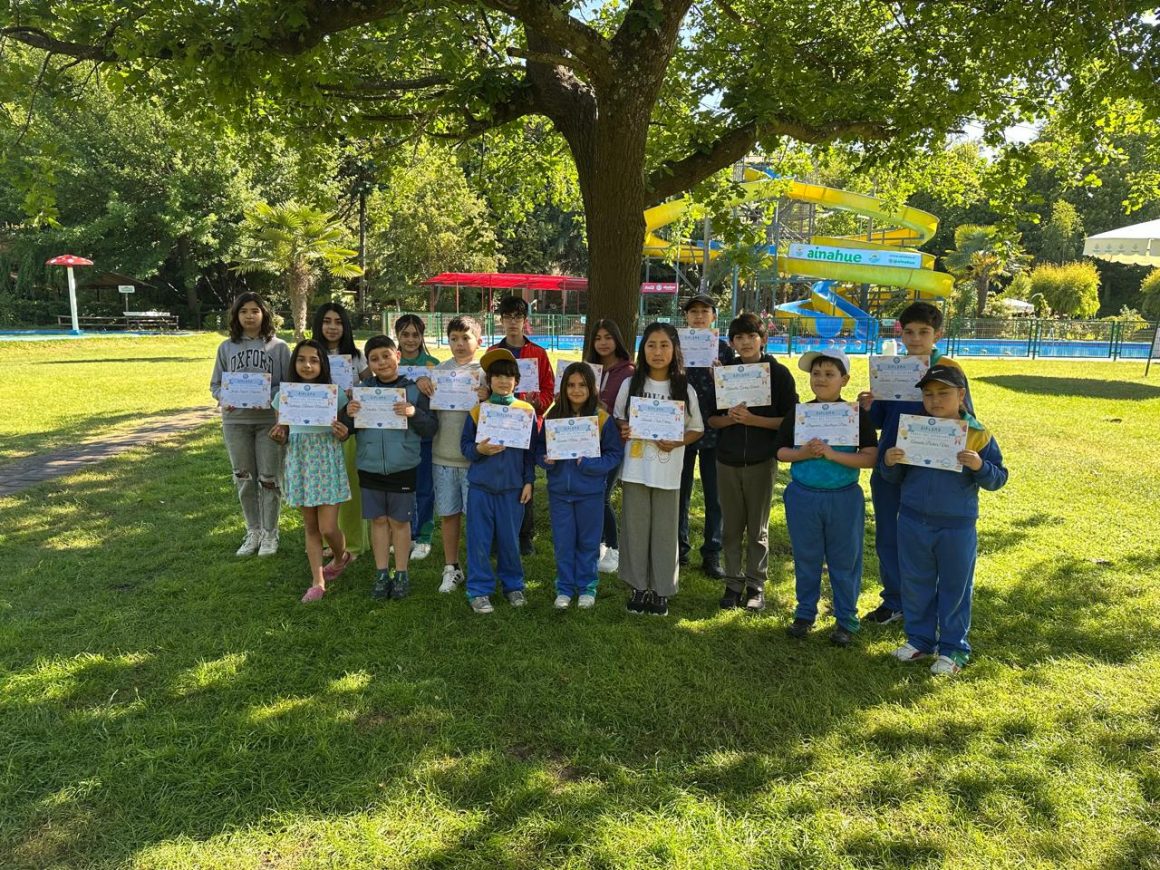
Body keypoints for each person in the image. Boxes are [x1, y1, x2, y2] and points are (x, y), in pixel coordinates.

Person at [880, 365, 1007, 674]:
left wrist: (979, 466)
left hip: (956, 524)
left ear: (961, 395)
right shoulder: (913, 429)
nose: (935, 400)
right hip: (912, 520)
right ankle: (920, 640)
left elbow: (998, 478)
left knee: (955, 586)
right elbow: (892, 477)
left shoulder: (977, 434)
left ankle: (953, 648)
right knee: (915, 582)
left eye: (944, 393)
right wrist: (889, 461)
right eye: (928, 394)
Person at [858, 301, 974, 626]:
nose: (916, 338)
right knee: (887, 535)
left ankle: (925, 604)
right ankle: (894, 600)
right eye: (909, 332)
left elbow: (967, 418)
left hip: (928, 469)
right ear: (901, 332)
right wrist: (869, 405)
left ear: (938, 333)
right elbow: (881, 419)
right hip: (890, 463)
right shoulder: (892, 367)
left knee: (923, 538)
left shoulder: (948, 368)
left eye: (924, 332)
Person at [776, 349, 878, 645]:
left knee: (844, 560)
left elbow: (870, 457)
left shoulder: (855, 416)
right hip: (803, 496)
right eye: (816, 374)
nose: (821, 379)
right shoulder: (799, 413)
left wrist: (832, 455)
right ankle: (805, 612)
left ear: (844, 379)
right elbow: (780, 451)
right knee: (806, 557)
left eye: (829, 374)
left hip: (843, 498)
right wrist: (802, 454)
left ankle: (846, 618)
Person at [613, 322, 704, 617]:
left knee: (665, 532)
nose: (657, 351)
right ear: (643, 349)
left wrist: (677, 442)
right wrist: (624, 428)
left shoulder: (684, 388)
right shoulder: (631, 385)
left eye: (664, 345)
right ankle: (638, 587)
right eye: (651, 345)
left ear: (675, 350)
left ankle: (662, 590)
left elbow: (696, 429)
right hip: (636, 469)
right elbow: (617, 419)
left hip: (668, 472)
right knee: (635, 529)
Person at [709, 313, 798, 613]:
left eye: (751, 336)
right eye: (738, 337)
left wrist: (753, 420)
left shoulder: (779, 373)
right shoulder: (725, 372)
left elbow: (792, 420)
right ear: (732, 342)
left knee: (757, 528)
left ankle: (755, 585)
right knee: (732, 527)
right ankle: (733, 583)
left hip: (761, 461)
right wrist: (728, 419)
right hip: (727, 460)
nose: (745, 342)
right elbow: (711, 418)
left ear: (762, 339)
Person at [341, 335, 437, 600]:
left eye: (386, 355)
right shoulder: (361, 390)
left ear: (397, 355)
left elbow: (430, 427)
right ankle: (382, 573)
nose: (381, 362)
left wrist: (413, 413)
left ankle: (402, 573)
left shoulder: (414, 391)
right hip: (369, 465)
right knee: (378, 520)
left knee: (399, 521)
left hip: (403, 466)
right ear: (368, 363)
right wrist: (348, 412)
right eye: (374, 358)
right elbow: (346, 428)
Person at [269, 340, 353, 602]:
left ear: (322, 364)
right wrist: (279, 434)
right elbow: (282, 430)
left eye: (314, 360)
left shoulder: (334, 394)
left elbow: (341, 431)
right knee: (310, 525)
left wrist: (342, 433)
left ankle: (341, 557)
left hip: (326, 459)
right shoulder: (285, 396)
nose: (307, 365)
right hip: (300, 459)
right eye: (302, 359)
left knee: (328, 527)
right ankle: (317, 581)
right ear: (294, 363)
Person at [537, 362, 625, 609]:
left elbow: (614, 454)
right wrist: (547, 462)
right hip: (560, 494)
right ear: (564, 387)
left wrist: (589, 465)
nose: (576, 390)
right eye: (571, 385)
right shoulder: (554, 416)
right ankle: (564, 588)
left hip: (590, 493)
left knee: (588, 542)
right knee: (564, 543)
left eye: (582, 385)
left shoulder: (601, 418)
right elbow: (539, 449)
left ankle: (587, 587)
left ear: (592, 388)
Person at [210, 292, 291, 557]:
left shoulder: (278, 347)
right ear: (236, 315)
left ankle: (270, 533)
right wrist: (225, 396)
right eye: (243, 311)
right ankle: (253, 530)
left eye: (255, 310)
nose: (249, 315)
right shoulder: (226, 347)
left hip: (268, 422)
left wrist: (268, 396)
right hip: (235, 422)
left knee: (269, 478)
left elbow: (288, 386)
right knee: (243, 477)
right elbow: (216, 385)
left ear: (264, 314)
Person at [413, 315, 486, 595]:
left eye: (465, 338)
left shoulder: (484, 373)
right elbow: (427, 412)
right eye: (454, 338)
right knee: (449, 514)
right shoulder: (438, 372)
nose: (459, 344)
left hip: (474, 460)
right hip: (442, 456)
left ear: (478, 341)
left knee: (476, 518)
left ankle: (478, 568)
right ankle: (451, 567)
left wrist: (487, 394)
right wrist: (422, 383)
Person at [460, 348, 537, 614]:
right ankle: (479, 590)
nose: (503, 382)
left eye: (509, 377)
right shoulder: (478, 412)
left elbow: (530, 453)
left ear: (516, 381)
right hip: (481, 488)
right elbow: (466, 447)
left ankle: (513, 585)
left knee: (510, 540)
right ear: (489, 381)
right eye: (498, 377)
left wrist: (528, 482)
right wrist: (479, 451)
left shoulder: (526, 411)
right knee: (479, 540)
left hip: (512, 490)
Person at [677, 293, 736, 579]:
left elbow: (735, 396)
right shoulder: (675, 347)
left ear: (714, 316)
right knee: (680, 491)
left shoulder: (724, 351)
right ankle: (679, 548)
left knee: (716, 495)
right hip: (681, 429)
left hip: (715, 430)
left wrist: (721, 378)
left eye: (704, 311)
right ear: (686, 317)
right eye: (693, 312)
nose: (699, 316)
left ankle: (712, 552)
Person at [490, 295, 554, 555]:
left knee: (525, 474)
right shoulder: (494, 353)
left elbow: (549, 388)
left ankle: (525, 533)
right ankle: (498, 534)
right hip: (498, 424)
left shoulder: (537, 353)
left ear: (525, 321)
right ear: (501, 320)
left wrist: (538, 402)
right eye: (508, 317)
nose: (513, 322)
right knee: (499, 474)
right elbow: (486, 386)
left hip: (528, 424)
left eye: (517, 317)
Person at [312, 302, 369, 558]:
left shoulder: (356, 358)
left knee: (350, 489)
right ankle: (328, 541)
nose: (332, 327)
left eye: (338, 321)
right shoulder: (309, 353)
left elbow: (372, 386)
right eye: (327, 321)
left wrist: (355, 391)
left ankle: (354, 544)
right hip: (316, 432)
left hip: (348, 429)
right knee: (323, 489)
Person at [585, 318, 634, 573]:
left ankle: (614, 549)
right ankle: (601, 545)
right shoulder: (586, 369)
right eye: (598, 338)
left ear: (617, 340)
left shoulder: (629, 372)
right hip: (586, 441)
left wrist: (608, 413)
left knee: (602, 497)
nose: (603, 343)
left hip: (614, 443)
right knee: (593, 495)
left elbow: (632, 413)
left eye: (608, 337)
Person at [395, 313, 440, 563]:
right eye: (405, 334)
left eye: (415, 334)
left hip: (423, 436)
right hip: (397, 438)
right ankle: (407, 534)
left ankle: (424, 536)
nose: (410, 339)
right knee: (403, 488)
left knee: (424, 487)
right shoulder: (391, 361)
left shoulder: (434, 365)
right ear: (397, 337)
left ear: (422, 336)